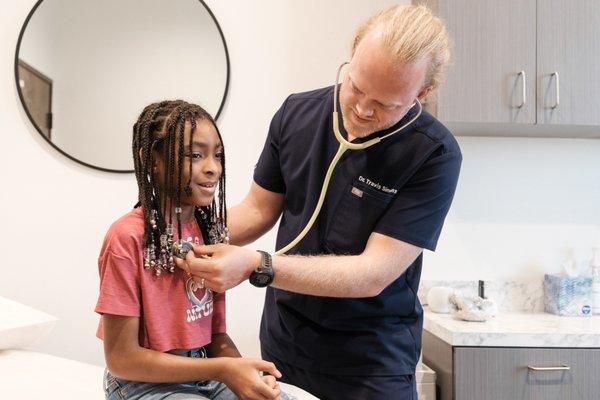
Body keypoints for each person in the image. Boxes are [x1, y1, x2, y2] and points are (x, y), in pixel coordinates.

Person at [176, 4, 462, 399]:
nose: (362, 109)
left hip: (371, 362)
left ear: (422, 93)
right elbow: (258, 210)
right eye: (356, 87)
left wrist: (258, 266)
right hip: (286, 344)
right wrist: (177, 230)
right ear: (352, 55)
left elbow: (373, 273)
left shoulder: (434, 153)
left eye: (385, 104)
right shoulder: (298, 114)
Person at [94, 100, 285, 400]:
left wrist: (245, 374)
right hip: (141, 382)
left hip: (204, 371)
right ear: (151, 160)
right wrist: (222, 370)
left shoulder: (210, 233)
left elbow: (216, 337)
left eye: (218, 156)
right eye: (195, 155)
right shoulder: (126, 238)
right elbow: (120, 358)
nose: (212, 168)